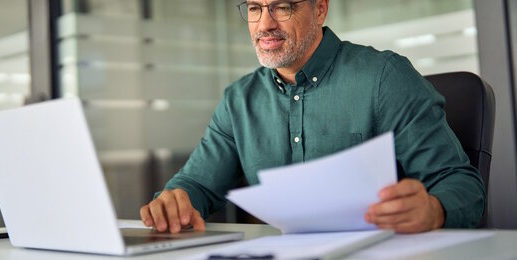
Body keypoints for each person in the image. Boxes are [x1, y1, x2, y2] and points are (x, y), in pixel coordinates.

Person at [139, 0, 485, 234]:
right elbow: (197, 186)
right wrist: (176, 201)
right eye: (255, 8)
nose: (264, 24)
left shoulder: (384, 78)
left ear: (320, 8)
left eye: (282, 7)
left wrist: (435, 209)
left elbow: (462, 184)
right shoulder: (237, 101)